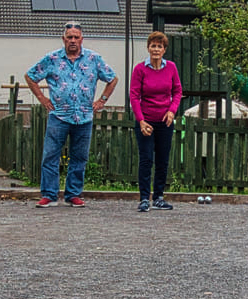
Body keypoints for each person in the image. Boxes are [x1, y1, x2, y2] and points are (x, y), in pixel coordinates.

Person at [25, 22, 118, 208]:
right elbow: (30, 75)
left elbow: (112, 78)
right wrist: (42, 98)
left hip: (84, 117)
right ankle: (49, 195)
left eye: (76, 37)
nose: (73, 40)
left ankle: (73, 194)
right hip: (58, 116)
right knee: (50, 156)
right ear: (64, 39)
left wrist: (102, 100)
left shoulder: (93, 59)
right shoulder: (52, 59)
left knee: (79, 157)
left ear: (81, 39)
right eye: (69, 37)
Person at [129, 31, 182, 212]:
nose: (156, 49)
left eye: (160, 46)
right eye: (153, 46)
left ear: (164, 49)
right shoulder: (140, 69)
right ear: (148, 48)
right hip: (146, 122)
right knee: (146, 159)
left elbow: (177, 91)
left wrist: (172, 111)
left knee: (162, 160)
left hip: (165, 122)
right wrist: (141, 121)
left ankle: (159, 197)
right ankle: (144, 198)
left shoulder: (171, 68)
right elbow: (134, 96)